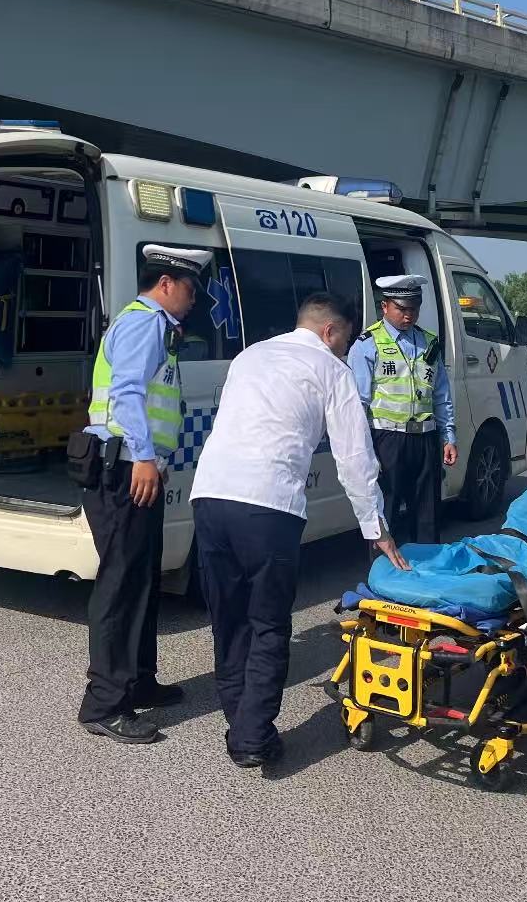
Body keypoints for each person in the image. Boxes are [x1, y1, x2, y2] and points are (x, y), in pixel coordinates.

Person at [190, 293, 410, 768]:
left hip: (209, 497)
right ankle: (252, 737)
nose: (347, 348)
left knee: (229, 620)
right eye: (346, 338)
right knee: (268, 623)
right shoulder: (332, 370)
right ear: (330, 331)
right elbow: (355, 458)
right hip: (269, 506)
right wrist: (376, 527)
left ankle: (241, 721)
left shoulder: (250, 355)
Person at [77, 244, 213, 745]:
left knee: (141, 579)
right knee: (120, 583)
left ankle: (138, 680)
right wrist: (143, 457)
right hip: (122, 468)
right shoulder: (143, 324)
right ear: (166, 284)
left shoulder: (159, 327)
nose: (195, 298)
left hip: (132, 466)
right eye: (191, 288)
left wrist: (152, 461)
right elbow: (127, 394)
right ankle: (104, 704)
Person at [348, 274, 457, 544]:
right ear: (385, 306)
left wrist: (449, 437)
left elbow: (441, 394)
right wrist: (363, 450)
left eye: (414, 309)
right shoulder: (368, 344)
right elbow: (358, 403)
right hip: (387, 440)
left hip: (425, 438)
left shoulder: (429, 342)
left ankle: (427, 567)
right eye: (402, 309)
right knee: (387, 514)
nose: (409, 315)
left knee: (428, 515)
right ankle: (384, 569)